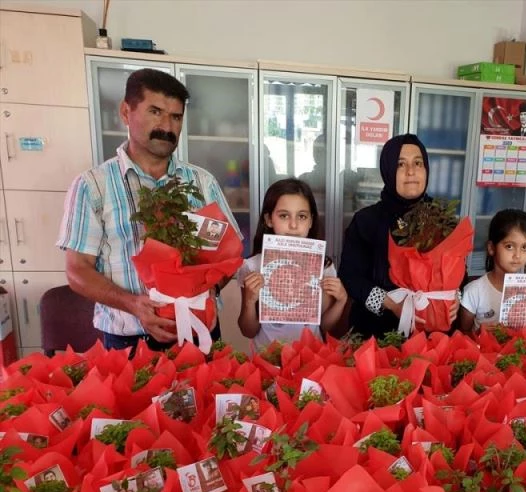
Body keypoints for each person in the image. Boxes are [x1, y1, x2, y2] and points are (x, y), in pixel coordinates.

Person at [56, 68, 242, 353]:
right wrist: (132, 304)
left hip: (199, 331)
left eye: (176, 117)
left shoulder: (201, 183)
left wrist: (208, 290)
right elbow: (77, 270)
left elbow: (228, 254)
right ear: (125, 112)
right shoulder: (93, 186)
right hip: (130, 340)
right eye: (155, 112)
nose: (166, 126)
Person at [339, 133, 460, 338]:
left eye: (418, 163)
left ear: (426, 169)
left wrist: (455, 297)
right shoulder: (366, 221)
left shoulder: (442, 218)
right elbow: (351, 278)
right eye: (400, 164)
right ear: (387, 170)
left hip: (432, 333)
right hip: (376, 333)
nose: (411, 171)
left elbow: (459, 272)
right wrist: (392, 304)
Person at [238, 178, 347, 348]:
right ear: (269, 219)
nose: (293, 225)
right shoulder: (252, 266)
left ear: (311, 221)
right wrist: (249, 302)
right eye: (284, 216)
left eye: (302, 216)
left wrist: (341, 301)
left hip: (311, 356)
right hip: (267, 358)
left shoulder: (323, 267)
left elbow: (325, 327)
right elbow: (248, 331)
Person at [459, 209, 526, 333]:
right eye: (509, 246)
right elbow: (463, 335)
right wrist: (480, 332)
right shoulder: (474, 291)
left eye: (525, 247)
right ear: (491, 248)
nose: (518, 255)